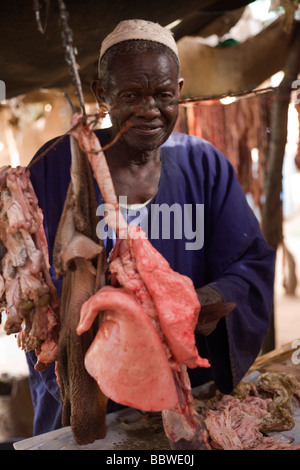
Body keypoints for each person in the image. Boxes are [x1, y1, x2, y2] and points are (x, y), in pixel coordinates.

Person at [26, 19, 275, 436]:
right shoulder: (54, 166)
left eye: (162, 95)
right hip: (87, 392)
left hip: (181, 395)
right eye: (131, 95)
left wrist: (204, 301)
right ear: (101, 93)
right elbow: (32, 284)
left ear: (179, 90)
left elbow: (251, 262)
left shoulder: (203, 164)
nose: (149, 110)